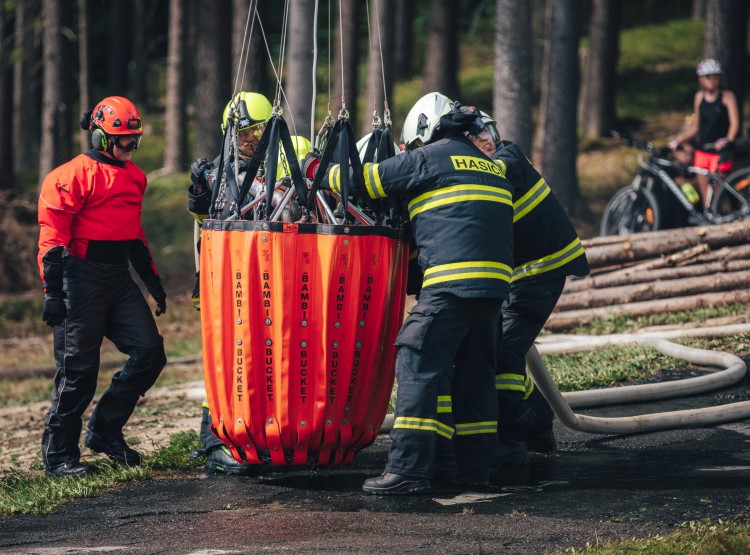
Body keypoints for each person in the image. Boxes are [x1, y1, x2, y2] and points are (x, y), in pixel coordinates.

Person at [308, 92, 515, 494]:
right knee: (475, 380)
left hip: (451, 285)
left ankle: (408, 470)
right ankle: (476, 471)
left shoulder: (429, 158)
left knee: (417, 360)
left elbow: (364, 183)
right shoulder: (490, 166)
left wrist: (315, 166)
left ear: (426, 134)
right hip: (492, 291)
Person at [38, 96, 167, 477]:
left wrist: (152, 281)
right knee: (78, 369)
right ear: (99, 137)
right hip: (79, 277)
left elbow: (133, 236)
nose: (130, 147)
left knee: (149, 354)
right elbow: (53, 238)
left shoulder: (135, 178)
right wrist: (53, 292)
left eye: (135, 140)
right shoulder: (71, 176)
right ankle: (59, 455)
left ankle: (105, 430)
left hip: (117, 279)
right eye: (123, 140)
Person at [466, 110, 590, 464]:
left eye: (486, 130)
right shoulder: (487, 165)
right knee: (502, 351)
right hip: (520, 278)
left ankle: (515, 437)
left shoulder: (507, 159)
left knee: (503, 353)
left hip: (539, 273)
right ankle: (537, 425)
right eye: (475, 135)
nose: (484, 138)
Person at [188, 91, 273, 475]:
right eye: (244, 133)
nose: (251, 140)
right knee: (224, 361)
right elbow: (205, 220)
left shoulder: (279, 164)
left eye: (258, 131)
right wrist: (199, 189)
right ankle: (213, 443)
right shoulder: (219, 172)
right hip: (224, 283)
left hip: (263, 281)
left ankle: (252, 434)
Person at [668, 59, 740, 211]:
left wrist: (728, 140)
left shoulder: (727, 97)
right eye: (709, 77)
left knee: (716, 194)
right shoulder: (699, 98)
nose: (713, 81)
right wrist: (678, 141)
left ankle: (723, 214)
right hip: (702, 152)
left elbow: (734, 124)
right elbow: (696, 127)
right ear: (701, 79)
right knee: (705, 197)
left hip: (719, 152)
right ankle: (709, 219)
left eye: (716, 77)